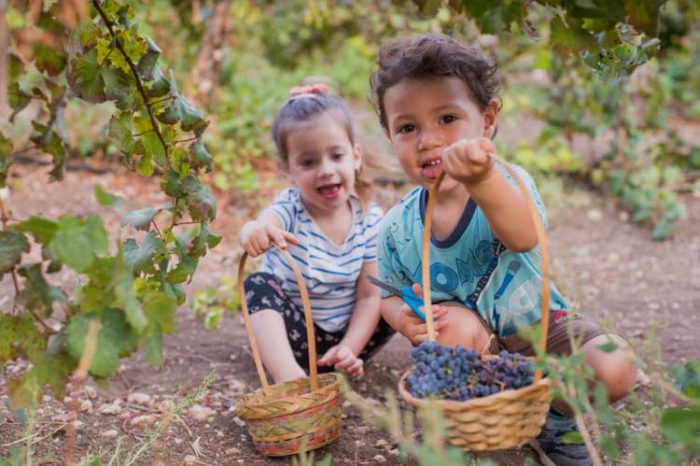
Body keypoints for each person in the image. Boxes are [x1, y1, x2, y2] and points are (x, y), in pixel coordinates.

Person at [370, 34, 637, 466]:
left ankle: (555, 417)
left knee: (616, 367)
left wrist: (481, 180)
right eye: (407, 128)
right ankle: (460, 428)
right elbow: (387, 292)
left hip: (544, 330)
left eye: (447, 118)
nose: (428, 140)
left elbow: (523, 236)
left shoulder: (507, 182)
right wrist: (402, 318)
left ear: (488, 119)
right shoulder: (397, 227)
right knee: (450, 327)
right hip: (479, 356)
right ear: (389, 135)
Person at [238, 84, 394, 383]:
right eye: (308, 162)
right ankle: (290, 378)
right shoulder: (291, 209)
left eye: (336, 156)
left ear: (356, 156)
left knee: (390, 295)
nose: (325, 170)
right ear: (288, 170)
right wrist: (255, 231)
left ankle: (342, 361)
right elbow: (262, 223)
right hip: (295, 336)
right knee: (258, 284)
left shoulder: (370, 219)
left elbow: (368, 297)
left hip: (351, 335)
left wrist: (350, 347)